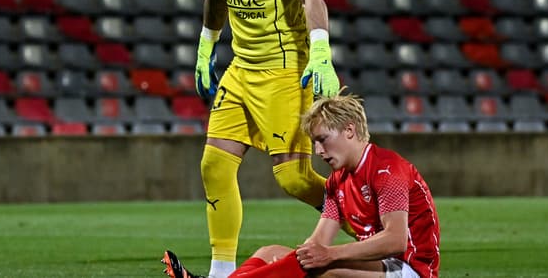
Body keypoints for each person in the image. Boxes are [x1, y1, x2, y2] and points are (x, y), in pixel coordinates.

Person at [192, 0, 340, 278]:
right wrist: (206, 45)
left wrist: (321, 51)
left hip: (283, 70)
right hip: (241, 68)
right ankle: (222, 273)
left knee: (294, 179)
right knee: (214, 164)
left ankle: (373, 227)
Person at [163, 92, 441, 278]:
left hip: (410, 270)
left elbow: (395, 240)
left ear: (349, 131)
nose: (318, 151)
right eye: (314, 143)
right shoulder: (337, 182)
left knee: (325, 269)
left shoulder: (386, 169)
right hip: (380, 267)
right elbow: (317, 243)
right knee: (269, 253)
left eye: (323, 139)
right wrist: (303, 258)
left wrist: (327, 255)